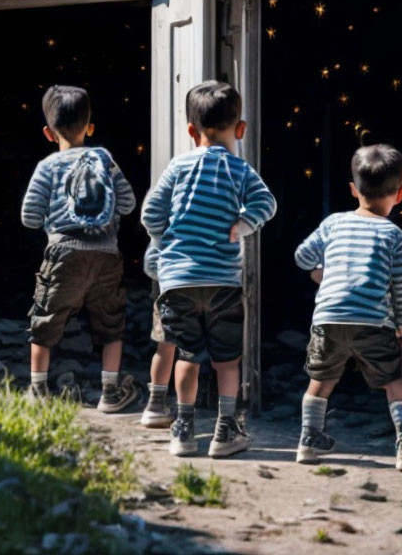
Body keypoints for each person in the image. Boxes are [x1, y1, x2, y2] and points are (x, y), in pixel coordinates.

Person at [141, 80, 276, 458]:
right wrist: (243, 225)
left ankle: (182, 429)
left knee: (188, 355)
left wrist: (167, 241)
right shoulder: (240, 171)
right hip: (223, 285)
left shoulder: (178, 166)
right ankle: (225, 430)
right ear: (241, 129)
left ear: (190, 130)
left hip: (177, 282)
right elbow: (268, 203)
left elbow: (150, 213)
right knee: (226, 361)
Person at [294, 144, 402, 472]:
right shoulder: (395, 235)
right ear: (401, 193)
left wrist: (319, 272)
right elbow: (401, 287)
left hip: (329, 320)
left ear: (354, 190)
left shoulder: (333, 223)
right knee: (396, 379)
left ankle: (309, 439)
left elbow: (302, 256)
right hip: (374, 323)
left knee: (321, 380)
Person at [21, 85, 138, 413]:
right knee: (111, 324)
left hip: (63, 252)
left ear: (48, 133)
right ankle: (110, 395)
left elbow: (29, 217)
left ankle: (39, 391)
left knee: (44, 319)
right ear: (90, 128)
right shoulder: (106, 160)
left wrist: (53, 222)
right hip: (106, 255)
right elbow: (128, 203)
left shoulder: (47, 167)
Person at [140, 239, 177, 428]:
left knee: (166, 343)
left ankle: (156, 404)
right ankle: (188, 413)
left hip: (168, 269)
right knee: (193, 348)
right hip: (205, 271)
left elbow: (151, 218)